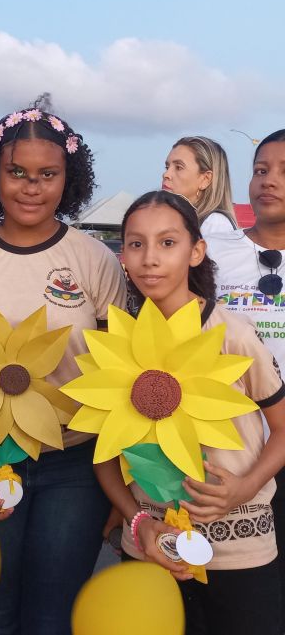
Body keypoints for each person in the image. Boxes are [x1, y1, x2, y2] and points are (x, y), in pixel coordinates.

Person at [0, 104, 126, 635]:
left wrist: (123, 485)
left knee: (51, 617)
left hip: (75, 465)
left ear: (70, 178)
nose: (31, 187)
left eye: (48, 174)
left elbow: (121, 376)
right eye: (16, 172)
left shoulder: (95, 260)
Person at [97, 190, 285, 635]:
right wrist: (139, 522)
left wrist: (245, 487)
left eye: (167, 243)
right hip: (151, 546)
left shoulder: (232, 335)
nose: (149, 258)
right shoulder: (114, 343)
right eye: (136, 243)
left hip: (240, 553)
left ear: (196, 251)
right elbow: (104, 457)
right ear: (122, 254)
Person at [206, 129, 285, 630]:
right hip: (225, 450)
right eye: (260, 170)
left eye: (283, 172)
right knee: (230, 597)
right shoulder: (213, 249)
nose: (269, 181)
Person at [162, 136, 237, 236]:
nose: (166, 174)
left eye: (178, 167)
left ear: (205, 179)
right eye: (167, 167)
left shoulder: (215, 224)